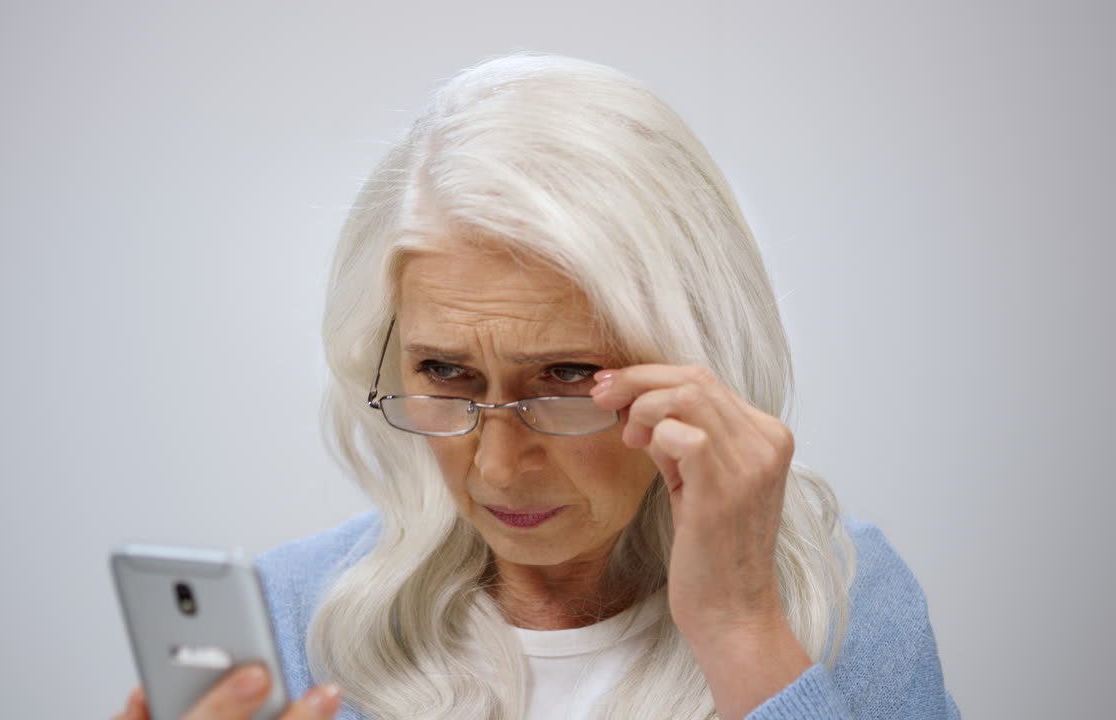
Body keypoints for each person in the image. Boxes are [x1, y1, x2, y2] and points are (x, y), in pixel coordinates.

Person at [113, 52, 959, 720]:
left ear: (695, 358)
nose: (498, 469)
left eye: (566, 377)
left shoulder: (840, 596)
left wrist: (743, 633)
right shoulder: (296, 617)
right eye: (444, 372)